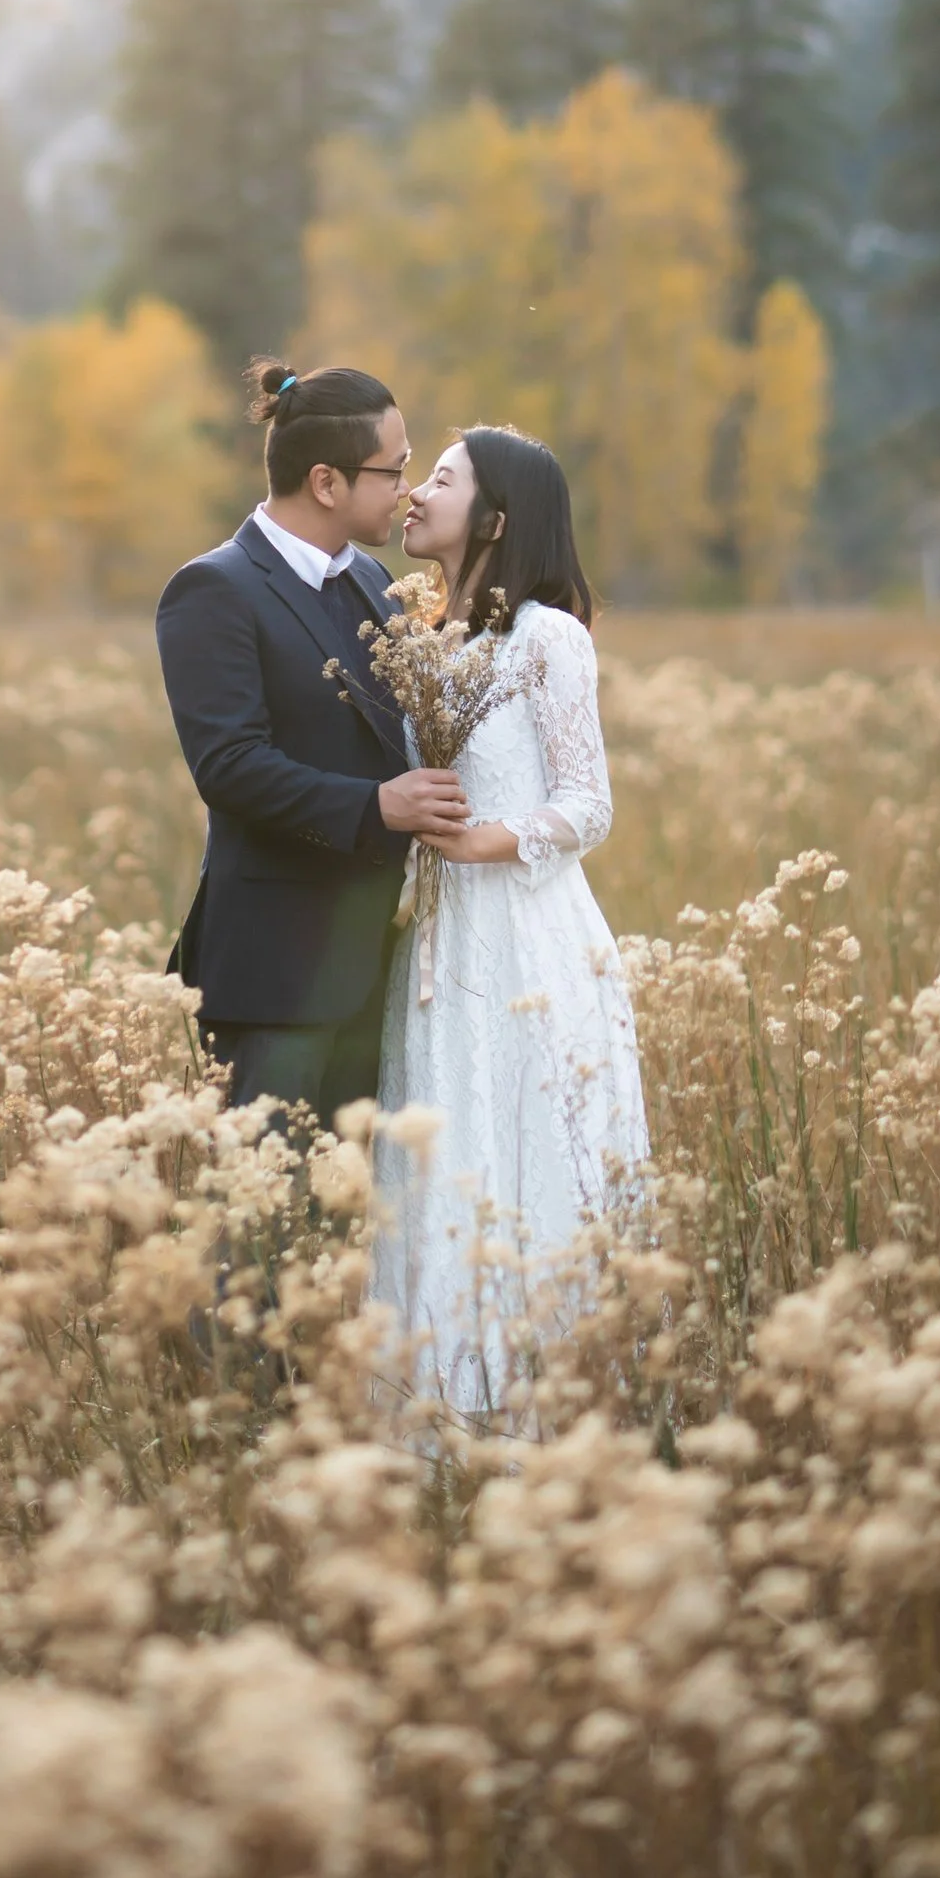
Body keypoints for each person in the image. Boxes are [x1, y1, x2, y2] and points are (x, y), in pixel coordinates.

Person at [370, 426, 647, 1413]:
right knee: (445, 1155)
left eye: (437, 479)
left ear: (493, 518)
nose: (413, 495)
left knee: (526, 1157)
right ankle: (443, 1406)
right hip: (440, 949)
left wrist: (478, 839)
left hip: (525, 942)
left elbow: (587, 803)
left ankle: (544, 1402)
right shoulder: (428, 643)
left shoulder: (546, 637)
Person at [155, 360, 472, 1128]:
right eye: (392, 470)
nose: (406, 488)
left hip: (373, 967)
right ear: (327, 482)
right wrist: (376, 806)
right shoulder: (214, 589)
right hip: (271, 977)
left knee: (349, 1227)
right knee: (266, 1229)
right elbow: (229, 766)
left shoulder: (372, 582)